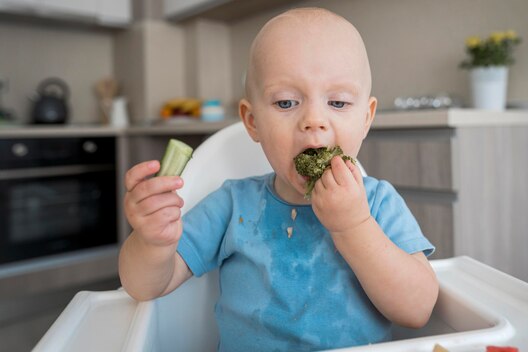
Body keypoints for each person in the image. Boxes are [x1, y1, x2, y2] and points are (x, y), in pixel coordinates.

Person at [119, 7, 438, 351]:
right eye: (286, 102)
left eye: (338, 102)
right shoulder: (232, 205)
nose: (314, 120)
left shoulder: (378, 203)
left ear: (366, 118)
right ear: (252, 121)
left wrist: (354, 226)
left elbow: (417, 309)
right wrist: (151, 242)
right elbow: (145, 287)